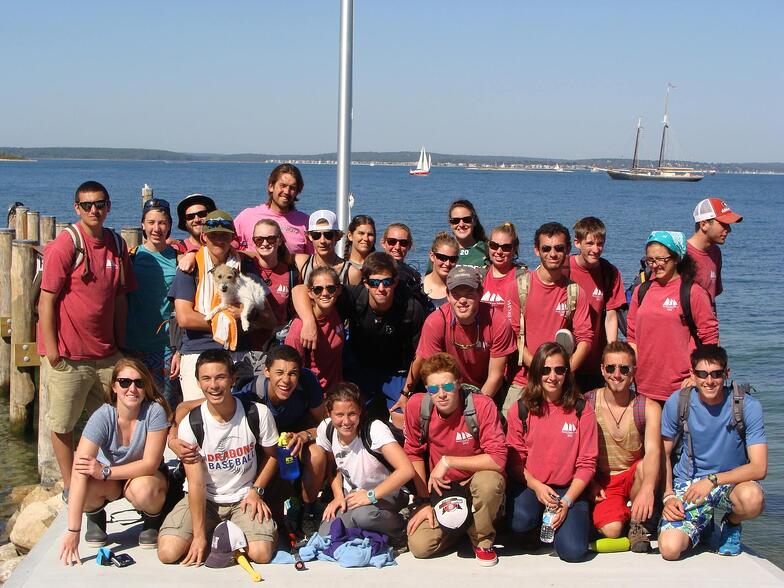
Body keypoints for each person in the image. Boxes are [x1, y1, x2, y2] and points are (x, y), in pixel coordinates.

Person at [38, 180, 137, 501]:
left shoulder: (117, 245)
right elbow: (47, 301)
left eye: (99, 204)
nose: (94, 210)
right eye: (86, 205)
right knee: (63, 423)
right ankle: (71, 486)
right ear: (77, 209)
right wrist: (53, 352)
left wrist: (121, 344)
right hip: (69, 356)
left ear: (108, 206)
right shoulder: (67, 244)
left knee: (118, 419)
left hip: (107, 354)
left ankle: (110, 477)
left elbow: (121, 297)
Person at [174, 345, 328, 539]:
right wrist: (173, 440)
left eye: (292, 374)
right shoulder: (251, 394)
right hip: (267, 450)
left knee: (318, 453)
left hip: (295, 440)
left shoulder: (307, 382)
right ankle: (277, 513)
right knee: (267, 457)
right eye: (279, 372)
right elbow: (182, 409)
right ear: (267, 371)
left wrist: (305, 435)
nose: (286, 380)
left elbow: (324, 424)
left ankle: (308, 512)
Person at [158, 350, 279, 566]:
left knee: (262, 554)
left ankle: (232, 532)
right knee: (167, 553)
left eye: (220, 377)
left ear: (233, 378)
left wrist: (256, 490)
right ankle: (215, 531)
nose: (213, 385)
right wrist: (198, 536)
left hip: (243, 497)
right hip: (206, 499)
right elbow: (195, 483)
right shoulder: (192, 424)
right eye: (206, 378)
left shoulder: (257, 413)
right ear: (198, 382)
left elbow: (273, 457)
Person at [293, 252, 425, 430]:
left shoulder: (410, 309)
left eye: (386, 282)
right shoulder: (354, 297)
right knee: (351, 418)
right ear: (365, 283)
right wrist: (308, 321)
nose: (381, 288)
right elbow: (299, 289)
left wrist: (406, 394)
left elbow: (420, 355)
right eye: (374, 282)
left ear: (395, 282)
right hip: (360, 370)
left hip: (396, 373)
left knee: (404, 419)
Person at [58, 358, 171, 565]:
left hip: (140, 476)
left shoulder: (155, 411)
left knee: (145, 489)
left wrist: (106, 472)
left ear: (146, 387)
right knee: (83, 484)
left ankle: (152, 520)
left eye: (139, 383)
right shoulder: (102, 416)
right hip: (107, 481)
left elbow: (150, 464)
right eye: (125, 382)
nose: (132, 389)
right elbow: (78, 470)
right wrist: (73, 530)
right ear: (114, 386)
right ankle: (94, 515)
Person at [658, 345, 766, 560]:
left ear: (726, 374)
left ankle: (731, 523)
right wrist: (668, 495)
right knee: (670, 550)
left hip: (729, 484)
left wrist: (713, 480)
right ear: (692, 375)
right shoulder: (678, 402)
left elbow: (759, 467)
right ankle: (702, 526)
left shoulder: (748, 406)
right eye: (702, 374)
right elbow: (662, 453)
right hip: (689, 483)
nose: (709, 381)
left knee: (752, 499)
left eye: (716, 374)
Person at [404, 353, 507, 566]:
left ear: (458, 384)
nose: (441, 394)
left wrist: (448, 461)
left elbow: (498, 460)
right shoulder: (417, 406)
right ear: (426, 389)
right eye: (433, 389)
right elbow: (413, 452)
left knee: (489, 482)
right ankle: (465, 526)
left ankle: (482, 541)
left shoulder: (482, 406)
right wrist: (423, 501)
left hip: (475, 483)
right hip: (444, 489)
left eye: (448, 387)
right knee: (420, 546)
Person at [167, 210, 274, 401]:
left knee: (238, 416)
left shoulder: (245, 268)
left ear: (232, 237)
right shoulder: (190, 269)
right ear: (203, 237)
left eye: (224, 235)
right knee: (197, 415)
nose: (219, 240)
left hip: (237, 353)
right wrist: (228, 321)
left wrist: (247, 315)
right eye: (213, 235)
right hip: (198, 350)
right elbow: (184, 317)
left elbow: (269, 319)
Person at [506, 342, 597, 563]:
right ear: (536, 372)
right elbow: (514, 462)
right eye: (545, 370)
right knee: (520, 521)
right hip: (533, 485)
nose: (552, 376)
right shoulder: (520, 409)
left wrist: (566, 501)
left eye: (559, 370)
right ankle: (536, 526)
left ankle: (568, 526)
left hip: (568, 488)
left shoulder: (581, 409)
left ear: (567, 373)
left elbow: (587, 463)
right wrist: (537, 486)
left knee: (573, 552)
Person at [504, 222, 593, 415]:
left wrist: (561, 371)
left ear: (568, 250)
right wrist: (539, 369)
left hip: (560, 383)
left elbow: (585, 339)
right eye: (546, 248)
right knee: (509, 435)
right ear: (537, 250)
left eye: (559, 248)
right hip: (523, 381)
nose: (553, 254)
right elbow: (514, 337)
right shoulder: (518, 288)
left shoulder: (575, 292)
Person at [317, 382, 414, 548]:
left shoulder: (374, 429)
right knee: (326, 534)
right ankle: (375, 530)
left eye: (352, 414)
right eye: (339, 415)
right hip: (355, 494)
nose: (346, 421)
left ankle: (401, 527)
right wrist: (338, 496)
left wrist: (371, 495)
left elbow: (406, 470)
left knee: (364, 516)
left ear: (360, 411)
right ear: (329, 413)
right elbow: (333, 467)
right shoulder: (326, 429)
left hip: (388, 492)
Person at [627, 231, 718, 403]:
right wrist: (629, 372)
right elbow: (632, 336)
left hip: (682, 389)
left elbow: (710, 338)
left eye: (661, 259)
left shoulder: (693, 292)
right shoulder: (641, 291)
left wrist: (698, 376)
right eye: (650, 260)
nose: (655, 265)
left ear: (676, 258)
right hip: (643, 387)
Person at [587, 342, 660, 553]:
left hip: (633, 477)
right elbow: (575, 451)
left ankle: (637, 521)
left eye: (624, 369)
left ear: (633, 372)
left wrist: (647, 488)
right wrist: (589, 483)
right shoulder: (588, 403)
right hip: (604, 482)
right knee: (612, 530)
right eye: (610, 368)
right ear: (602, 369)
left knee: (646, 464)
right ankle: (625, 519)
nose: (617, 374)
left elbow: (654, 451)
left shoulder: (648, 407)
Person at [407, 266, 516, 401]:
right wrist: (406, 393)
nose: (462, 300)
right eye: (456, 294)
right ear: (447, 295)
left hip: (488, 392)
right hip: (448, 391)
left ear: (480, 293)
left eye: (469, 294)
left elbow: (496, 376)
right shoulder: (435, 321)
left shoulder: (498, 321)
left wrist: (476, 407)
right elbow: (433, 372)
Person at [126, 198, 180, 407]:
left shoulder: (179, 257)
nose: (156, 228)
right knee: (132, 408)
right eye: (151, 222)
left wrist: (179, 350)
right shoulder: (131, 256)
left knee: (165, 407)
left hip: (166, 348)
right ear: (142, 225)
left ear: (169, 225)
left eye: (162, 222)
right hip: (134, 347)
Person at [566, 217, 625, 392]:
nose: (595, 249)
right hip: (566, 358)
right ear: (577, 242)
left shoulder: (609, 272)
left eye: (600, 244)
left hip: (594, 363)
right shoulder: (563, 268)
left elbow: (611, 315)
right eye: (590, 243)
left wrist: (612, 352)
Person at [285, 267, 344, 392]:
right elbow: (292, 373)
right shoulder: (299, 329)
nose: (325, 293)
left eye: (331, 288)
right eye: (318, 289)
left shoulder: (336, 309)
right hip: (314, 396)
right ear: (310, 293)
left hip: (336, 391)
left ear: (338, 290)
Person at [234, 164, 311, 255]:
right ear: (271, 186)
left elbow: (313, 261)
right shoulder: (247, 217)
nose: (286, 191)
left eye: (292, 188)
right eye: (283, 185)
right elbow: (228, 249)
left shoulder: (305, 223)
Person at [687, 197, 743, 305]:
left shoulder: (715, 252)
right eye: (723, 224)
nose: (729, 230)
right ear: (704, 225)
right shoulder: (680, 254)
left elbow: (711, 297)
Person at [250, 219, 299, 342]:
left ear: (280, 240)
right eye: (259, 239)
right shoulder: (246, 268)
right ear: (253, 241)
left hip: (278, 344)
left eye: (271, 239)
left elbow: (295, 312)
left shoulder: (292, 274)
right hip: (248, 346)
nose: (265, 243)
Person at [294, 210, 350, 284]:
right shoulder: (300, 262)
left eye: (328, 235)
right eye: (316, 235)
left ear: (337, 236)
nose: (322, 241)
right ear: (310, 237)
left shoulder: (351, 273)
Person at [446, 199, 489, 269]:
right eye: (456, 221)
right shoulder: (441, 252)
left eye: (467, 219)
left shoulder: (488, 250)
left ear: (474, 221)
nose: (461, 224)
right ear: (450, 223)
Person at [381, 222, 422, 295]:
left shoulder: (413, 275)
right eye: (392, 241)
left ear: (409, 246)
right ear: (383, 243)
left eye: (403, 243)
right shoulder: (374, 270)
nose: (397, 247)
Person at [422, 232, 459, 311]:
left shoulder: (459, 290)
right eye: (442, 258)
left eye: (452, 259)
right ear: (432, 256)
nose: (447, 263)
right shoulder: (418, 285)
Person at [345, 214, 377, 285]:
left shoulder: (379, 267)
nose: (366, 238)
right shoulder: (342, 267)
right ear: (350, 236)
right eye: (361, 233)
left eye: (370, 235)